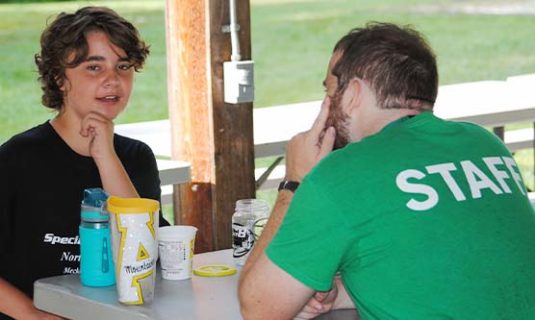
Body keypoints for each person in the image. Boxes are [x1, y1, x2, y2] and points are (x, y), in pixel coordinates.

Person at [239, 22, 535, 319]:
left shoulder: (341, 174)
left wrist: (295, 182)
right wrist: (341, 295)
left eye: (330, 91)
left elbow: (259, 308)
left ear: (353, 93)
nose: (326, 106)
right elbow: (457, 267)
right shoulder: (485, 143)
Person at [0, 7, 169, 319]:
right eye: (94, 67)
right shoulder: (18, 158)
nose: (112, 80)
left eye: (124, 66)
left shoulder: (136, 157)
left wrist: (106, 157)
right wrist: (32, 315)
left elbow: (141, 252)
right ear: (59, 78)